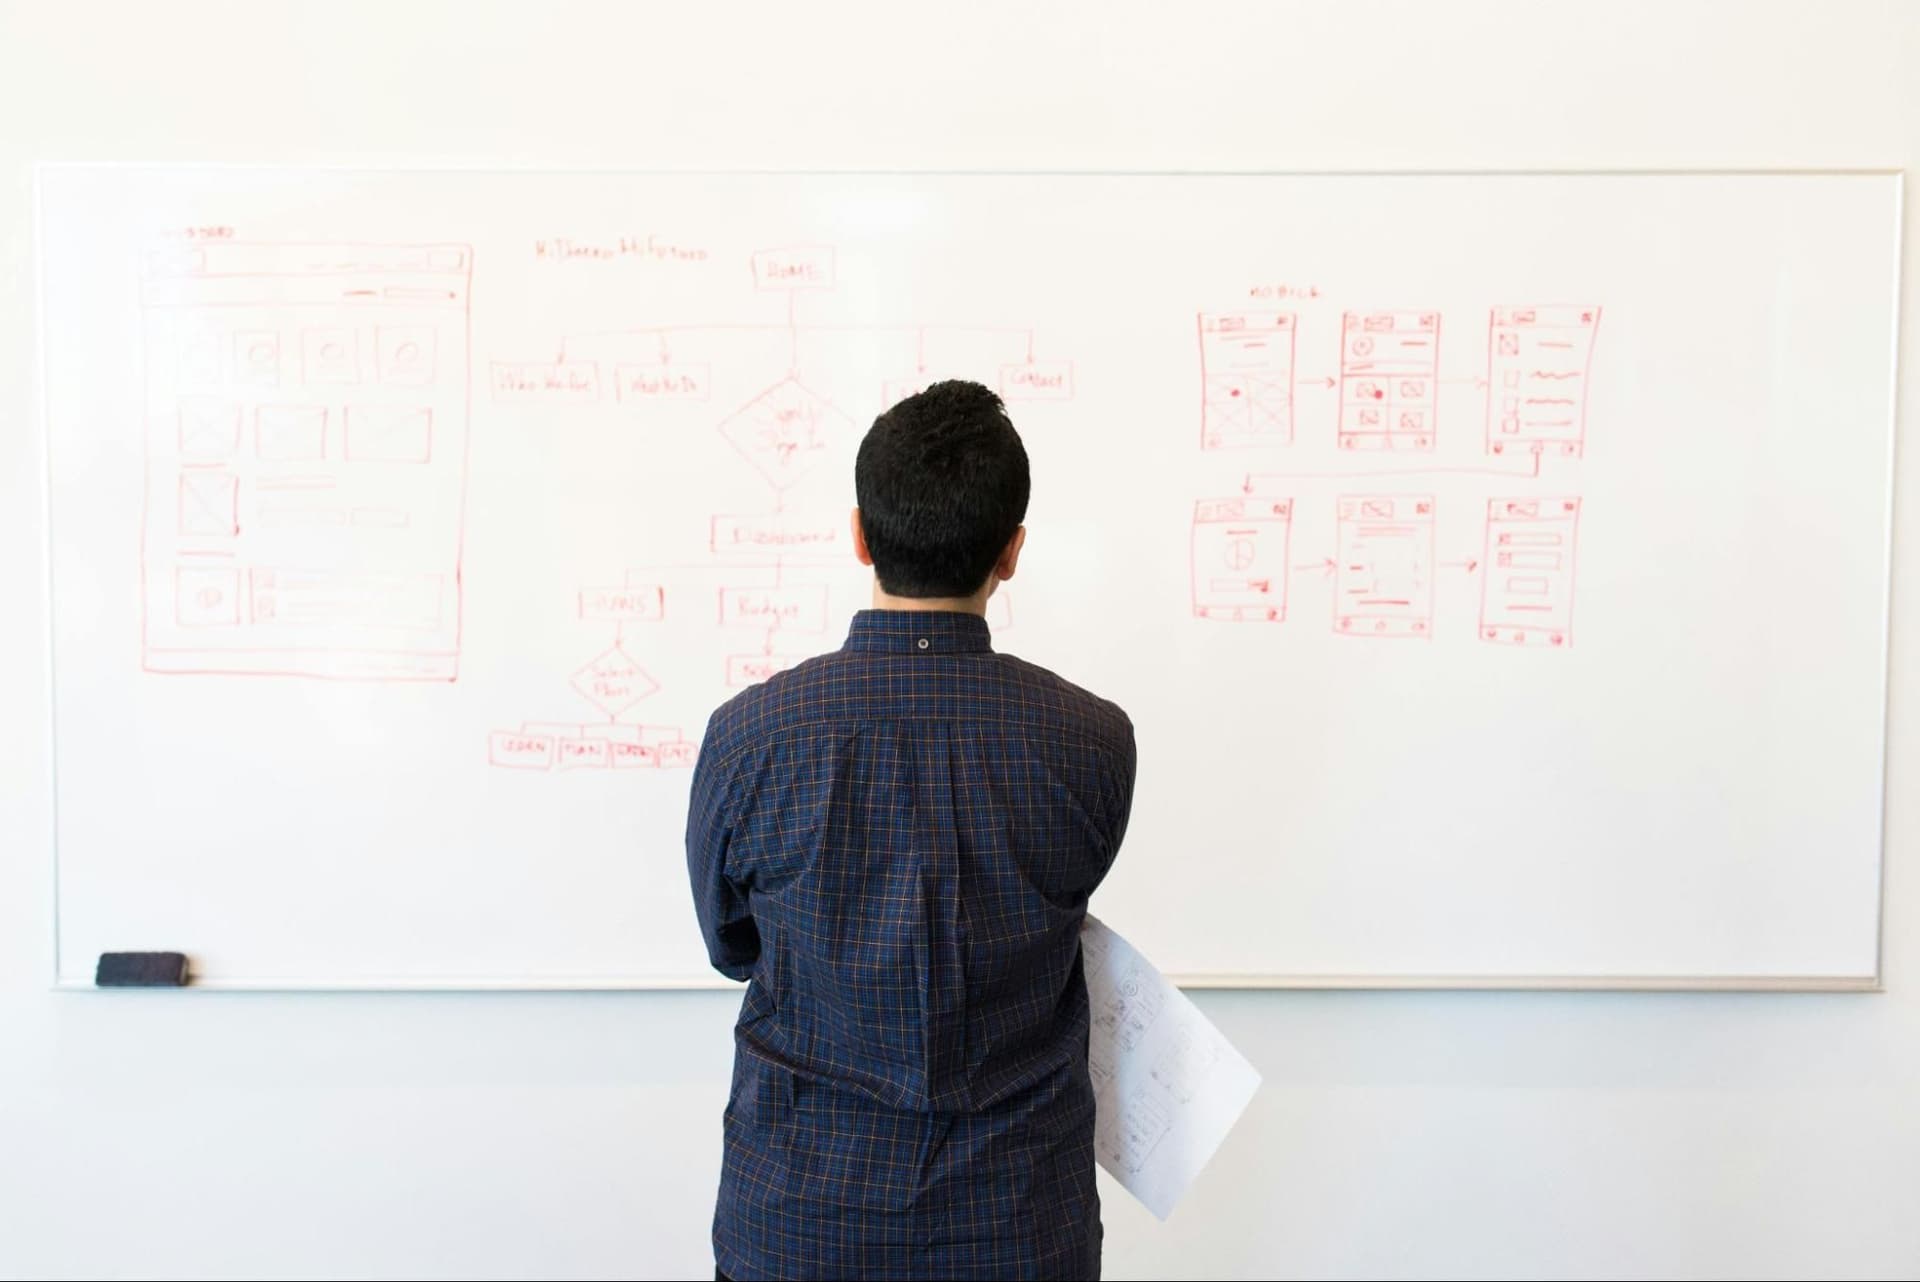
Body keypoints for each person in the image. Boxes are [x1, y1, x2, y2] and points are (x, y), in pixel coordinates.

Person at [686, 379, 1138, 1281]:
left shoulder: (749, 737)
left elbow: (732, 946)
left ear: (860, 535)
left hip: (799, 1223)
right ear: (1011, 552)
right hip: (1019, 1228)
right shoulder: (1092, 741)